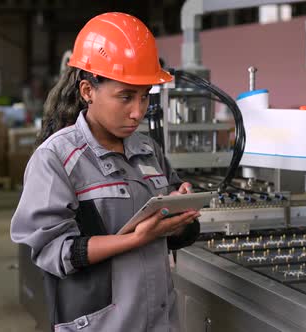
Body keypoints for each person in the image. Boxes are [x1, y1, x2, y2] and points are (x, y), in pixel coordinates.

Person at [11, 12, 201, 332]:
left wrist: (180, 215)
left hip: (159, 322)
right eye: (125, 96)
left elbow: (169, 237)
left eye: (144, 96)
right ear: (88, 91)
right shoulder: (56, 158)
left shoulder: (147, 150)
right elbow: (53, 251)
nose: (138, 111)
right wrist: (134, 239)